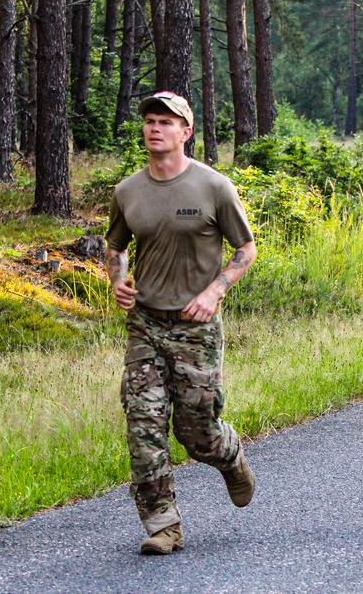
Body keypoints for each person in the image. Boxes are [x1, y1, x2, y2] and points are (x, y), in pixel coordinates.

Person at [105, 91, 257, 555]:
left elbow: (245, 250)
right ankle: (163, 525)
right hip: (146, 324)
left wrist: (215, 291)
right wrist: (119, 280)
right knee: (143, 424)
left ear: (186, 133)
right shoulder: (127, 191)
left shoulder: (213, 187)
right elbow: (115, 247)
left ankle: (228, 455)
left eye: (166, 123)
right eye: (150, 121)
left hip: (196, 328)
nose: (155, 128)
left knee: (196, 433)